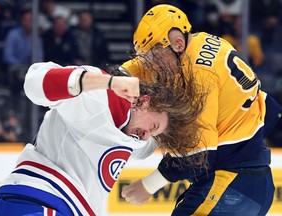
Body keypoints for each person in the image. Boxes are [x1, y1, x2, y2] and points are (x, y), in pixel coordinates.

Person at [0, 46, 206, 215]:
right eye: (152, 127)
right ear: (144, 101)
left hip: (58, 205)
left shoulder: (136, 141)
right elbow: (34, 82)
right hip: (40, 199)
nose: (147, 135)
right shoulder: (100, 97)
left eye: (154, 134)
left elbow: (172, 146)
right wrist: (108, 82)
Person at [120, 4, 282, 216]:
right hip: (243, 182)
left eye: (154, 60)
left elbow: (198, 156)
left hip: (234, 185)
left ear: (178, 44)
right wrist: (105, 81)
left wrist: (148, 185)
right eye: (146, 60)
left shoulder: (199, 77)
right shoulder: (191, 43)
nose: (150, 68)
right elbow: (141, 64)